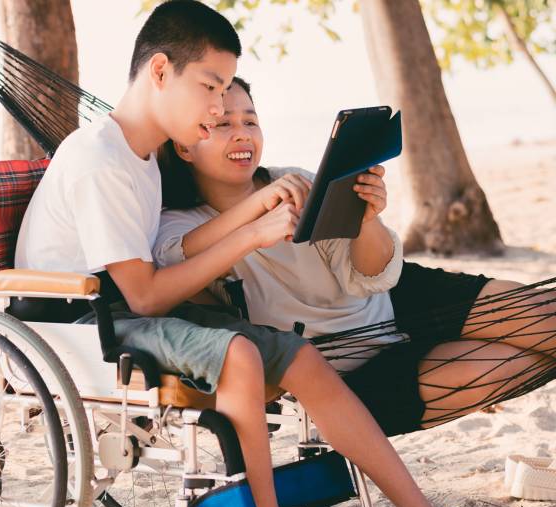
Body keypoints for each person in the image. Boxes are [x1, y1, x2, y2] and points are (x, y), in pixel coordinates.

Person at [17, 2, 464, 507]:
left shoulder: (141, 154)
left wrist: (257, 211)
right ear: (160, 71)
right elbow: (144, 297)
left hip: (128, 310)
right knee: (241, 355)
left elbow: (164, 267)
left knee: (299, 357)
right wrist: (253, 234)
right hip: (80, 322)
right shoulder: (102, 160)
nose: (217, 106)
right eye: (210, 87)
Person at [154, 75, 556, 449]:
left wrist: (367, 220)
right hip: (345, 369)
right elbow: (176, 259)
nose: (242, 132)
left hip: (398, 294)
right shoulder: (181, 224)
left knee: (546, 317)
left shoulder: (295, 180)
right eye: (223, 124)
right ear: (185, 144)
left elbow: (368, 276)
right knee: (521, 366)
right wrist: (256, 209)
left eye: (251, 121)